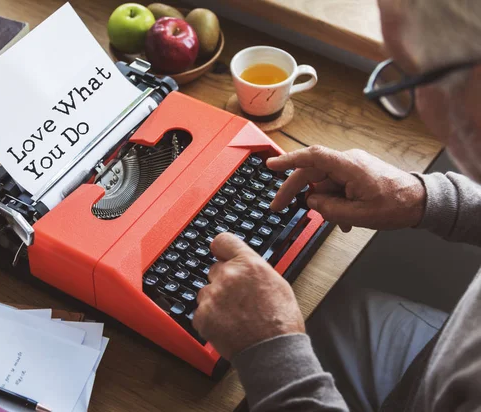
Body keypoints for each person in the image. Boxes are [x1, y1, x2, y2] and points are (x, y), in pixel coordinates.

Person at [191, 0, 481, 410]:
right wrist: (425, 197)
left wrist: (272, 351)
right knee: (337, 306)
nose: (421, 107)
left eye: (412, 76)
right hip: (442, 352)